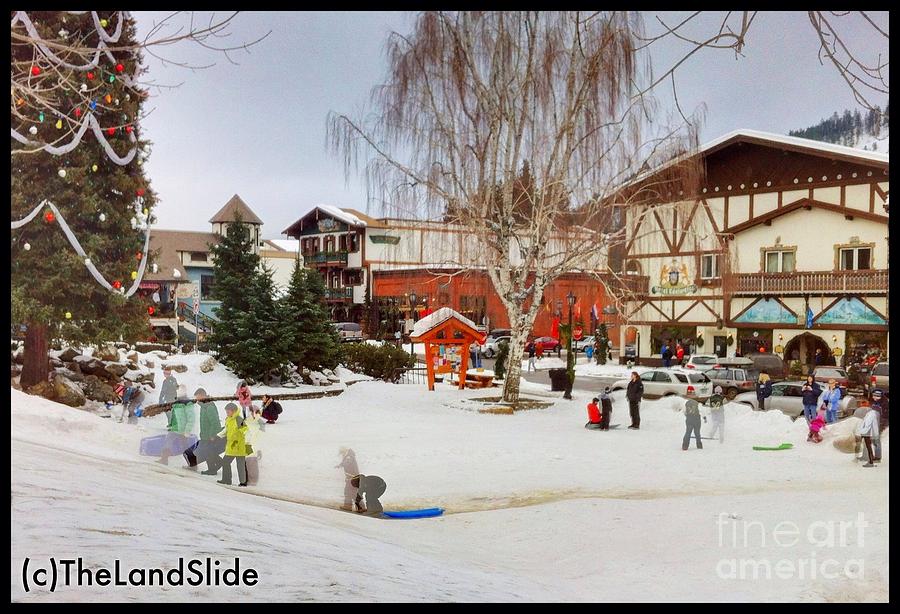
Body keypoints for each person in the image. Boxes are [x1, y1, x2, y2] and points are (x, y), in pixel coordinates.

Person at [158, 385, 195, 467]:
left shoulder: (188, 403)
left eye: (179, 390)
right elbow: (174, 416)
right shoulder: (176, 402)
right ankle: (164, 459)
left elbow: (191, 418)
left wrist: (187, 431)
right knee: (168, 441)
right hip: (175, 428)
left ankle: (193, 465)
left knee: (185, 447)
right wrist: (171, 425)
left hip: (182, 430)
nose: (177, 391)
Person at [217, 402, 248, 487]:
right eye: (226, 411)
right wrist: (218, 436)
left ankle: (243, 482)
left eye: (228, 411)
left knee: (240, 465)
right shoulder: (228, 419)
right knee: (225, 462)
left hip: (238, 446)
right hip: (231, 446)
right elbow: (226, 430)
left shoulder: (238, 419)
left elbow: (245, 429)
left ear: (233, 411)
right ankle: (226, 480)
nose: (227, 413)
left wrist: (241, 435)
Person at [195, 387, 224, 476]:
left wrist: (212, 435)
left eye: (198, 397)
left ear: (203, 395)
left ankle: (213, 469)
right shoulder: (203, 406)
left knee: (208, 452)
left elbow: (214, 422)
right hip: (205, 434)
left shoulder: (209, 407)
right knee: (209, 451)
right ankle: (218, 464)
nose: (196, 400)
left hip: (210, 435)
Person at [336, 447, 365, 512]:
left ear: (344, 451)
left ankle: (360, 507)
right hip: (351, 477)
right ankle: (349, 506)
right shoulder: (349, 456)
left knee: (352, 492)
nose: (341, 455)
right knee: (349, 492)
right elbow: (346, 463)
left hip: (352, 477)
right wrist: (340, 465)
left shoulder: (349, 457)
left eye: (342, 453)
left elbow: (347, 463)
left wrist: (342, 464)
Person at [244, 405, 265, 486]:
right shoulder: (247, 420)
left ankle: (253, 481)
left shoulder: (259, 422)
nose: (251, 413)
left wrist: (259, 448)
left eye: (252, 412)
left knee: (251, 461)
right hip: (247, 443)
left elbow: (260, 436)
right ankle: (247, 479)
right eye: (250, 411)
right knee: (246, 461)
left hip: (253, 444)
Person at [855, 402, 880, 467]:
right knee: (869, 447)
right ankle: (870, 460)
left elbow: (867, 425)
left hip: (867, 433)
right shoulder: (872, 413)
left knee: (869, 447)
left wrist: (862, 432)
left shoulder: (870, 414)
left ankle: (871, 462)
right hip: (868, 432)